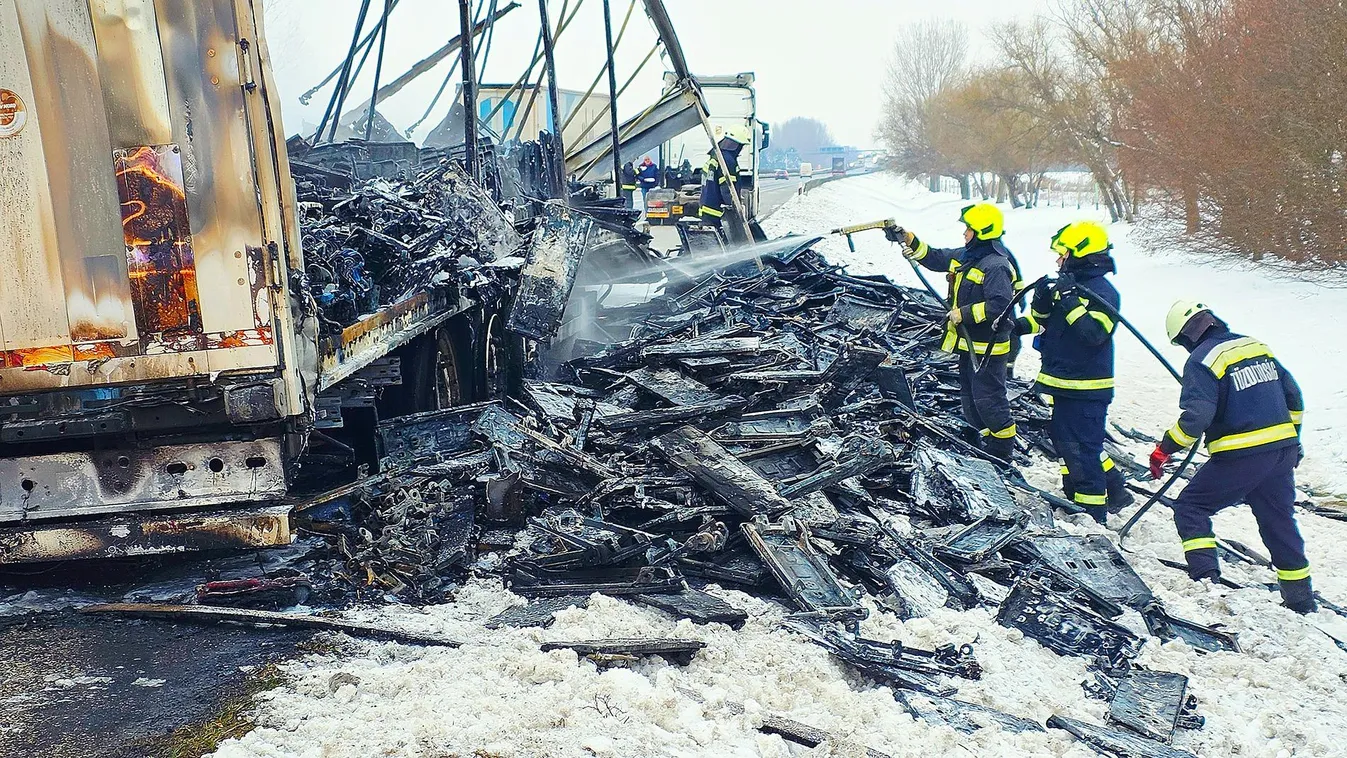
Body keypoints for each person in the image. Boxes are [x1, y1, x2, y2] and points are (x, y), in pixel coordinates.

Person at [1150, 301, 1314, 612]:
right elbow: (1294, 396)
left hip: (1242, 455)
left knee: (1190, 507)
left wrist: (1165, 448)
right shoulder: (1255, 346)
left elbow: (1196, 418)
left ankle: (1205, 580)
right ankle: (1301, 599)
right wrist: (1293, 439)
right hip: (1281, 453)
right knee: (1278, 521)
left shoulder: (1201, 360)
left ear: (1185, 336)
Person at [1016, 221, 1132, 522]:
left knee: (1084, 450)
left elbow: (1094, 334)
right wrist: (1041, 301)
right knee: (1066, 442)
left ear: (1080, 254)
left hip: (1087, 388)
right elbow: (1046, 322)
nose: (1058, 260)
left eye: (1063, 254)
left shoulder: (1104, 292)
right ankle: (1107, 490)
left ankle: (1093, 512)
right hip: (1064, 382)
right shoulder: (1069, 286)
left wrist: (1069, 301)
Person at [887, 203, 1018, 461]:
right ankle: (984, 444)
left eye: (968, 229)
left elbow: (1000, 306)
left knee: (990, 402)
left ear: (981, 232)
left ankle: (1002, 453)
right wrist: (910, 240)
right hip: (968, 347)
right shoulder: (969, 256)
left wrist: (964, 313)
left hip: (988, 350)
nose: (964, 233)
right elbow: (937, 258)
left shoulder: (996, 265)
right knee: (971, 400)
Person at [698, 126, 748, 231]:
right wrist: (734, 209)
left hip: (707, 209)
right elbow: (727, 188)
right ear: (736, 145)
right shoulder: (727, 161)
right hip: (719, 214)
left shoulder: (716, 156)